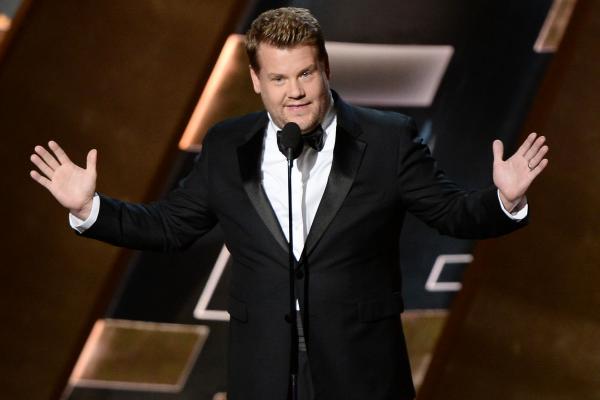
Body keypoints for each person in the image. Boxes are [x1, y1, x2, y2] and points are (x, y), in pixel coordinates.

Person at [29, 7, 548, 400]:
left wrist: (504, 199)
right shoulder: (227, 144)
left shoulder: (387, 139)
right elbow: (170, 226)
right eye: (278, 78)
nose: (294, 92)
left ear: (325, 68)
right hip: (263, 369)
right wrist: (91, 208)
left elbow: (450, 213)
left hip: (361, 368)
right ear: (255, 81)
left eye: (305, 74)